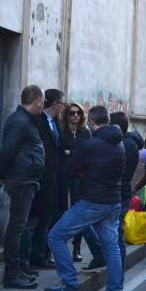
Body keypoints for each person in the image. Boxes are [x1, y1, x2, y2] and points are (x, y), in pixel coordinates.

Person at [45, 105, 125, 291]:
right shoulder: (120, 143)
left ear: (92, 122)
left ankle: (70, 283)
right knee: (112, 249)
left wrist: (83, 171)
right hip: (113, 201)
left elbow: (69, 169)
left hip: (92, 201)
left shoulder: (92, 144)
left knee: (56, 236)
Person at [0, 85, 46, 289]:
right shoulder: (20, 121)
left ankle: (17, 269)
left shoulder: (25, 120)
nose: (43, 105)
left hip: (26, 178)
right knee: (17, 227)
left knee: (20, 225)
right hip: (21, 180)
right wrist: (0, 174)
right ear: (38, 102)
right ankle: (11, 273)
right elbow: (7, 150)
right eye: (42, 102)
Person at [22, 89, 64, 273]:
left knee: (46, 218)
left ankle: (40, 255)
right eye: (62, 104)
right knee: (32, 221)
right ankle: (28, 258)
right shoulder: (37, 120)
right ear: (55, 104)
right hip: (39, 177)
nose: (63, 108)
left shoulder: (55, 122)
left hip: (53, 179)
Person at [60, 102, 94, 263]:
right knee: (60, 210)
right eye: (72, 113)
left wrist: (70, 152)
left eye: (78, 113)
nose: (75, 116)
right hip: (62, 176)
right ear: (66, 114)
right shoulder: (61, 132)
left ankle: (76, 247)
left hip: (79, 177)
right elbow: (59, 152)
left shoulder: (85, 133)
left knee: (78, 211)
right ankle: (58, 246)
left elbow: (86, 155)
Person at [111, 111, 144, 268]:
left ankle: (117, 271)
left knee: (116, 234)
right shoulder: (132, 144)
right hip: (123, 192)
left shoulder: (123, 145)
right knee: (116, 232)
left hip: (117, 192)